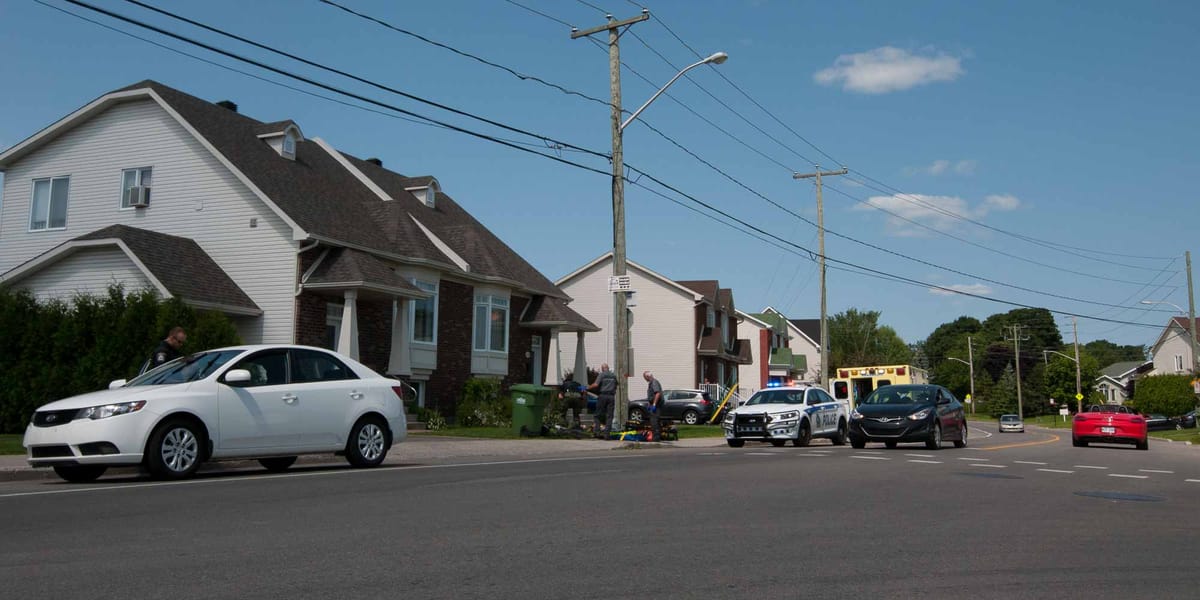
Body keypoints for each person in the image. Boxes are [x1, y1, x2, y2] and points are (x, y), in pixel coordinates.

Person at [587, 363, 618, 438]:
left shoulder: (602, 375)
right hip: (611, 397)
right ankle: (607, 434)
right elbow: (616, 385)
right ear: (608, 368)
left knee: (597, 415)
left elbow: (596, 384)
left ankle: (597, 433)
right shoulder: (613, 376)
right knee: (609, 416)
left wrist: (587, 387)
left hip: (603, 396)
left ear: (602, 368)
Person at [643, 370, 663, 441]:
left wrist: (654, 404)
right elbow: (652, 395)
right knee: (653, 421)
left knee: (654, 421)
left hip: (656, 405)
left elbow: (657, 393)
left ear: (648, 376)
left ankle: (656, 438)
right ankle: (656, 436)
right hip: (653, 404)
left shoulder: (654, 382)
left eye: (645, 377)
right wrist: (650, 404)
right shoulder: (651, 383)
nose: (645, 379)